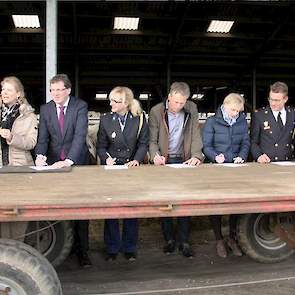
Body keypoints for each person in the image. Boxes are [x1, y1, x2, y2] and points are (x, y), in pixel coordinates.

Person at [35, 74, 91, 268]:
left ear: (68, 90)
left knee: (81, 209)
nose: (56, 94)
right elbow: (43, 138)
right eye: (53, 90)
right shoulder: (45, 109)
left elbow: (80, 135)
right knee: (58, 207)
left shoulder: (80, 106)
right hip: (53, 166)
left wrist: (69, 160)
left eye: (59, 89)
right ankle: (61, 247)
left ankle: (83, 251)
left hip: (77, 163)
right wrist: (40, 156)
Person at [149, 81, 203, 258]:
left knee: (185, 202)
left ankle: (184, 241)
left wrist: (196, 155)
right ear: (169, 96)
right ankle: (169, 240)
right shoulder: (156, 111)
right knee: (166, 202)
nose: (179, 106)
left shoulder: (191, 109)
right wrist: (155, 155)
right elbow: (152, 140)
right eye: (176, 102)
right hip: (164, 161)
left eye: (182, 103)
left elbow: (195, 134)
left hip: (184, 160)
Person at [97, 86, 149, 261]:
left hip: (131, 168)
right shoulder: (105, 120)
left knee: (131, 208)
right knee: (111, 209)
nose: (111, 103)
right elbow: (101, 146)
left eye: (115, 101)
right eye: (110, 100)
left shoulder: (139, 118)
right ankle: (112, 247)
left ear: (125, 103)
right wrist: (106, 158)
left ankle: (129, 247)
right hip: (112, 169)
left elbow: (143, 143)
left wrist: (137, 159)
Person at [202, 93, 249, 258]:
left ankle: (232, 238)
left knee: (236, 204)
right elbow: (206, 146)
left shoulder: (242, 121)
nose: (235, 113)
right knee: (217, 204)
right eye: (233, 110)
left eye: (238, 111)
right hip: (217, 169)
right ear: (225, 105)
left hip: (235, 169)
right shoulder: (212, 121)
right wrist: (215, 156)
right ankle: (219, 239)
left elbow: (245, 143)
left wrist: (242, 156)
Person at [0, 76, 38, 240]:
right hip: (1, 168)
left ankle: (17, 247)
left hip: (19, 169)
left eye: (9, 89)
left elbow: (31, 143)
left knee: (18, 211)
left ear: (18, 93)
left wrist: (12, 137)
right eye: (3, 89)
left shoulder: (28, 115)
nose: (4, 92)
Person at [251, 81, 295, 163]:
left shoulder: (292, 114)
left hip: (288, 162)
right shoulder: (259, 115)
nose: (273, 103)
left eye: (277, 100)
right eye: (271, 99)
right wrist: (258, 156)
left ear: (285, 99)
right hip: (266, 163)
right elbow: (253, 141)